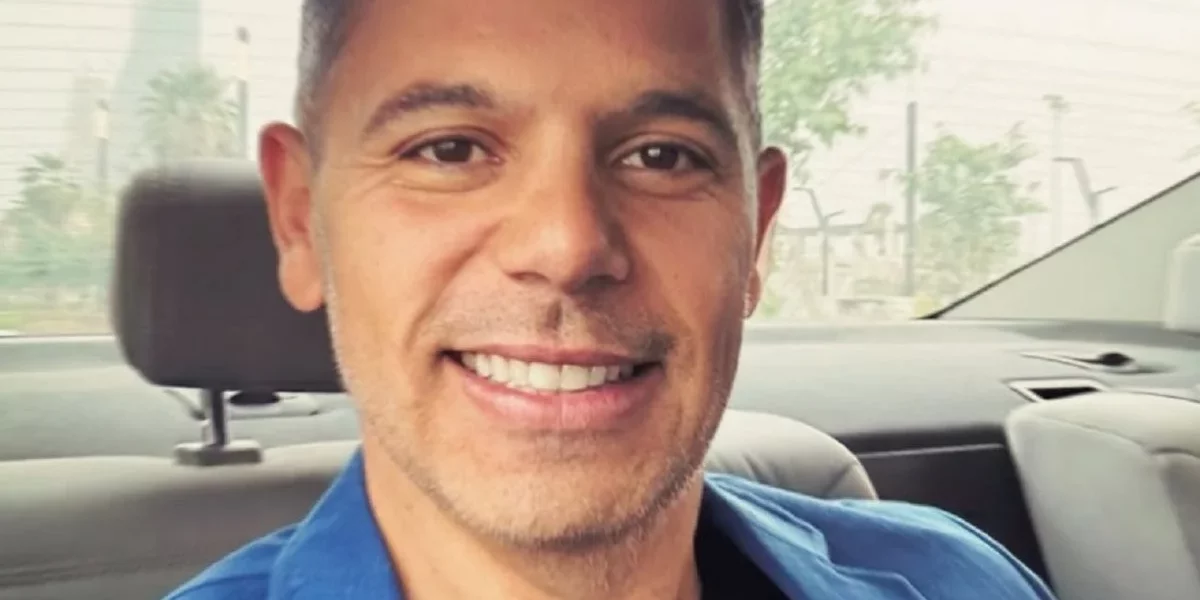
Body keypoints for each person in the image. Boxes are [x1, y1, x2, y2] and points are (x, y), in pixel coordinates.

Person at [169, 0, 1056, 598]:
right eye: (449, 150)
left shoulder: (956, 580)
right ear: (300, 220)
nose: (567, 245)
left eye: (661, 156)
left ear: (757, 232)